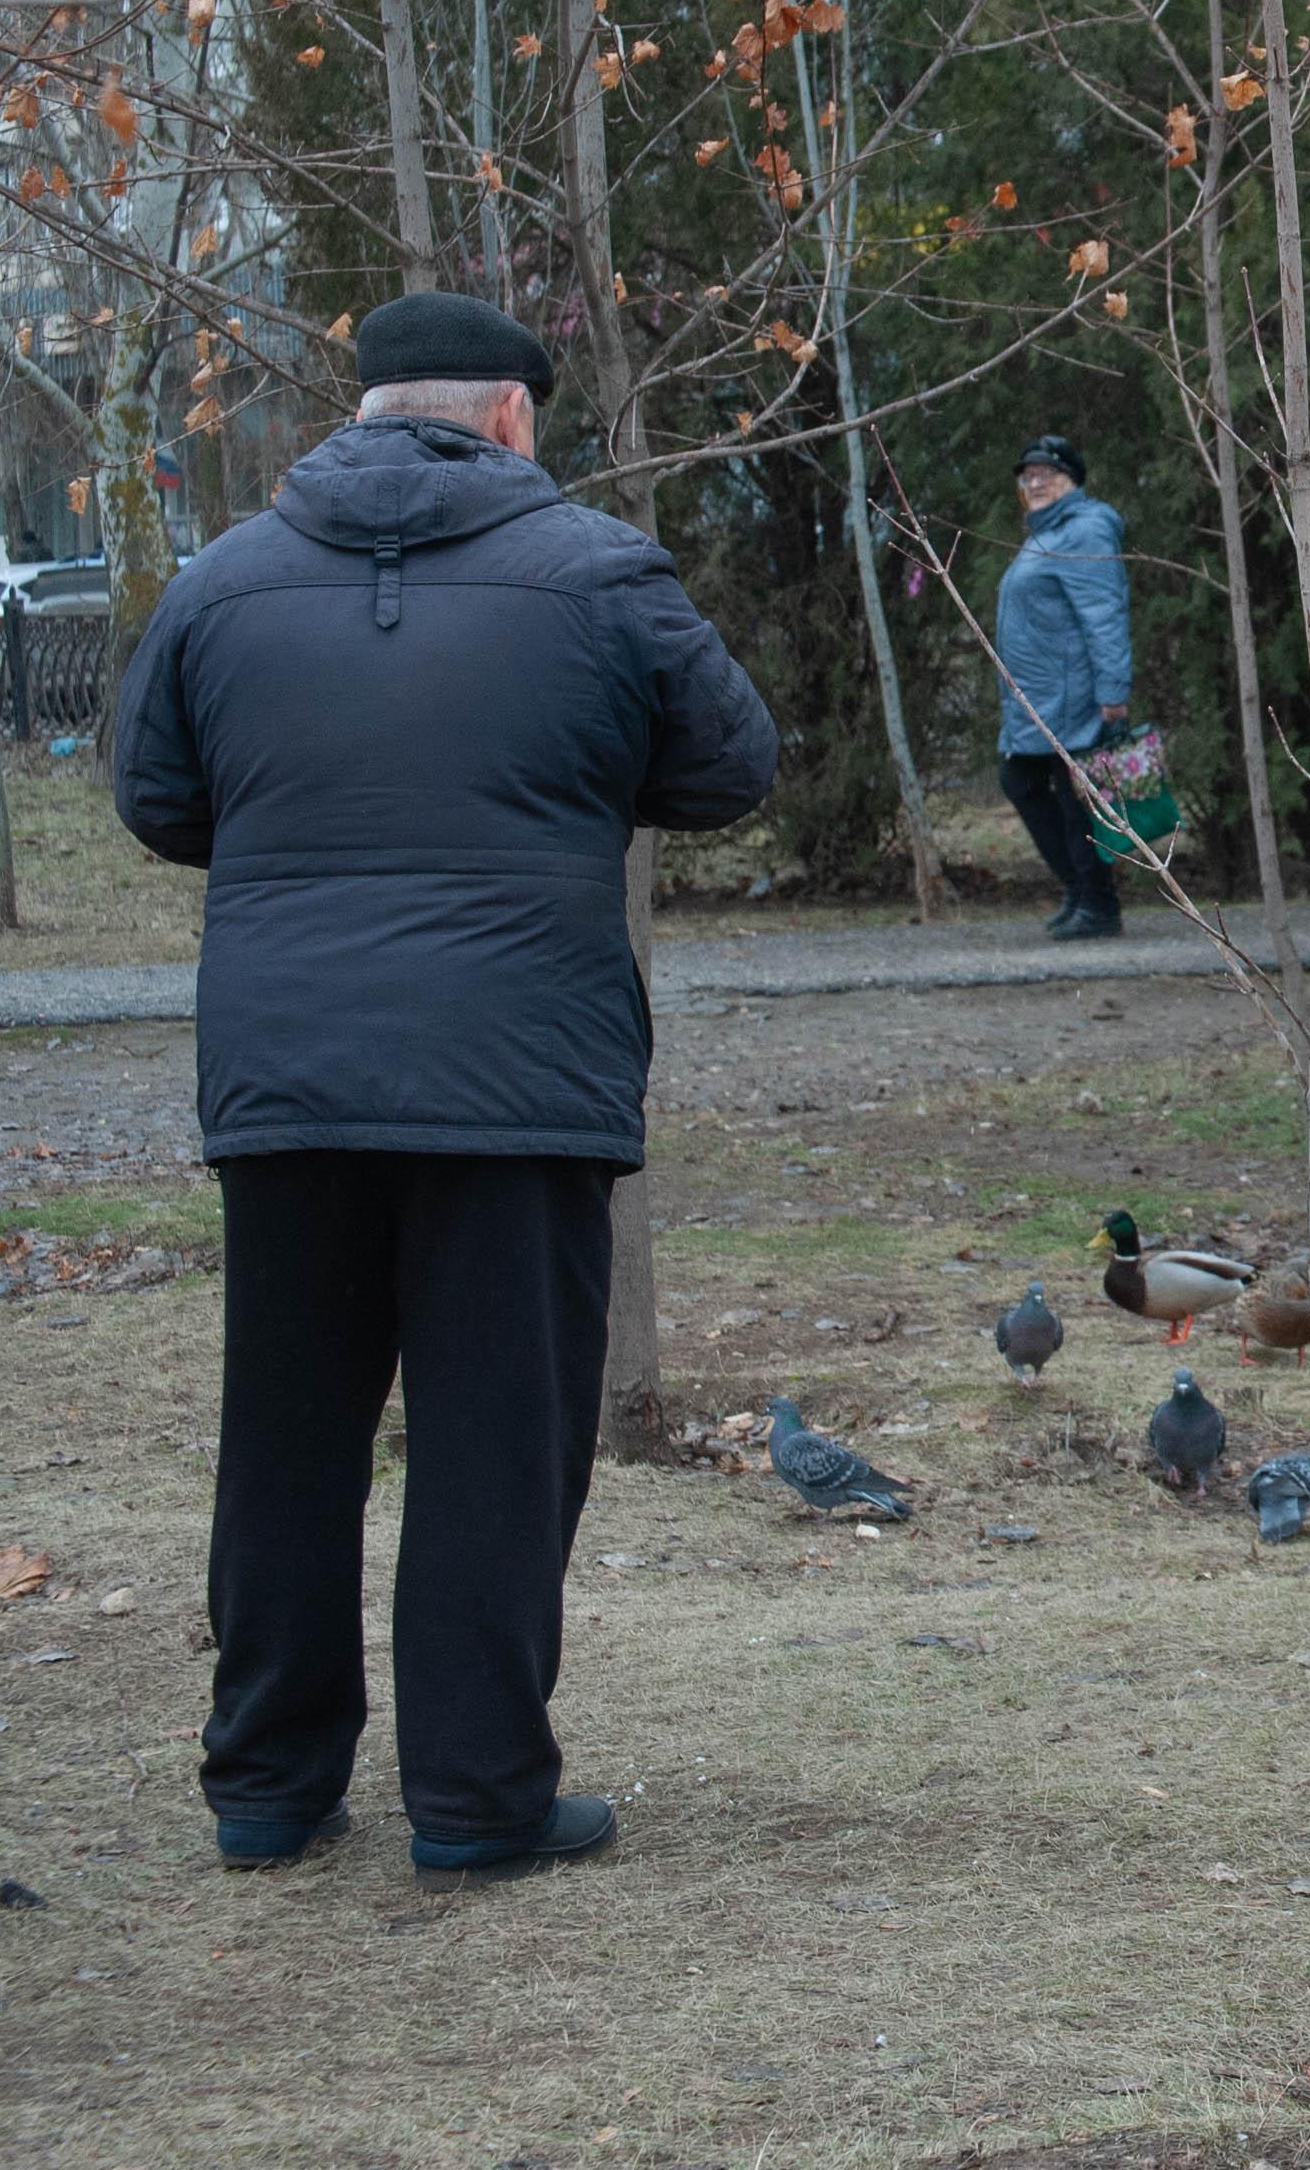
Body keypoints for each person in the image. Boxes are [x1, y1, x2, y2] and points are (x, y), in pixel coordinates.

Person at [111, 289, 775, 1885]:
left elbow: (155, 797)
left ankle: (267, 1789)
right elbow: (732, 767)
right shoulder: (600, 574)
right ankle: (476, 1802)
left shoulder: (223, 581)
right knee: (494, 1442)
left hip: (289, 1083)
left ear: (360, 411)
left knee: (285, 1438)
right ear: (513, 418)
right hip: (517, 1082)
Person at [992, 431, 1135, 939]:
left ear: (1071, 480)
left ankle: (1097, 904)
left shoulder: (1085, 529)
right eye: (1027, 476)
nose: (1034, 483)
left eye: (1046, 474)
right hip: (1037, 698)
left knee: (1074, 799)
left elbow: (1104, 614)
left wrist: (1113, 692)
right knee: (1024, 783)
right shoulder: (1047, 533)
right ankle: (1081, 892)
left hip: (1071, 695)